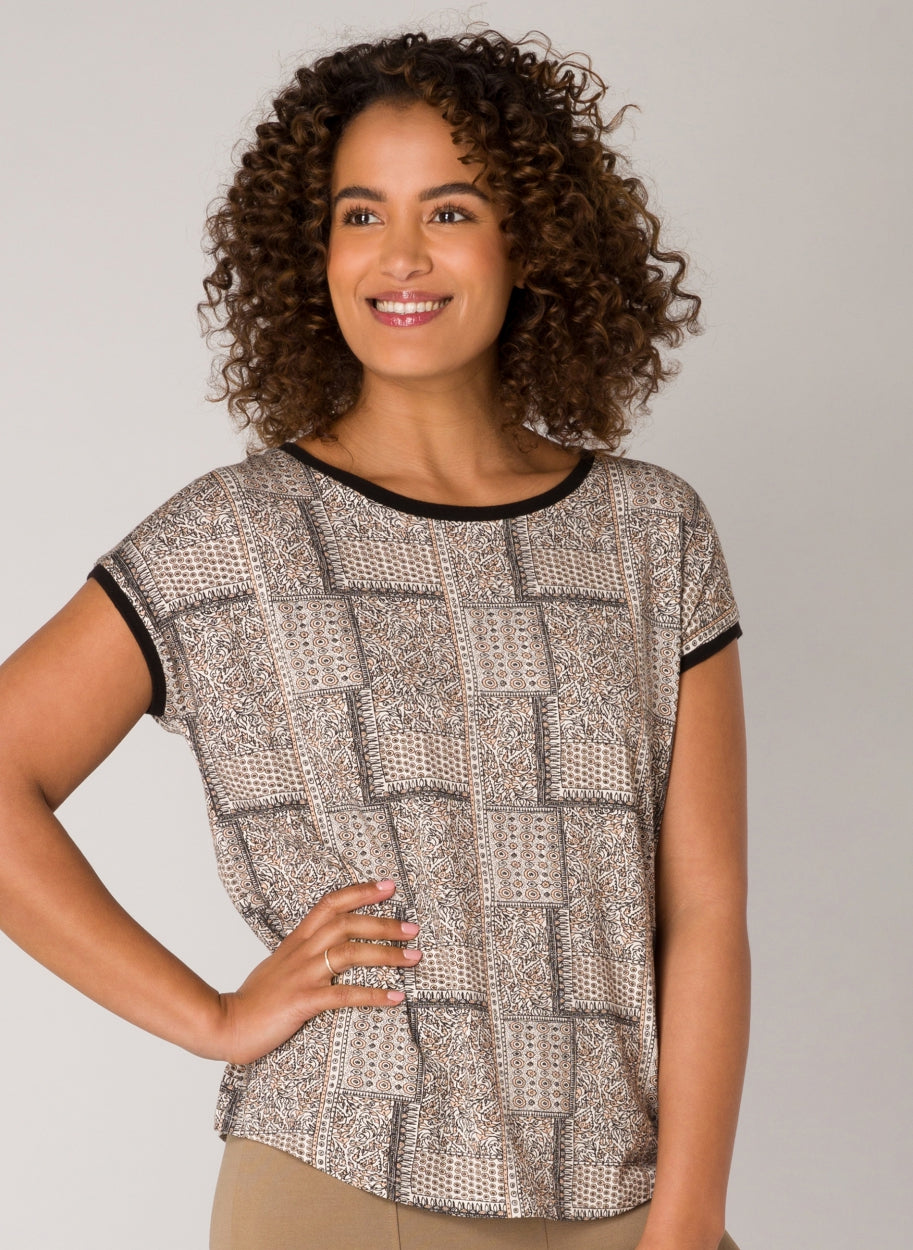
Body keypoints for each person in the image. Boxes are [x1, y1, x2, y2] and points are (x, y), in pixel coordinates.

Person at [0, 29, 749, 1250]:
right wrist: (213, 1015)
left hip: (628, 1196)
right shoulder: (233, 537)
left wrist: (687, 1220)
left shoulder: (651, 532)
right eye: (361, 215)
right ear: (316, 252)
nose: (400, 256)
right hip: (341, 1179)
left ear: (529, 241)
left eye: (448, 210)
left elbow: (704, 907)